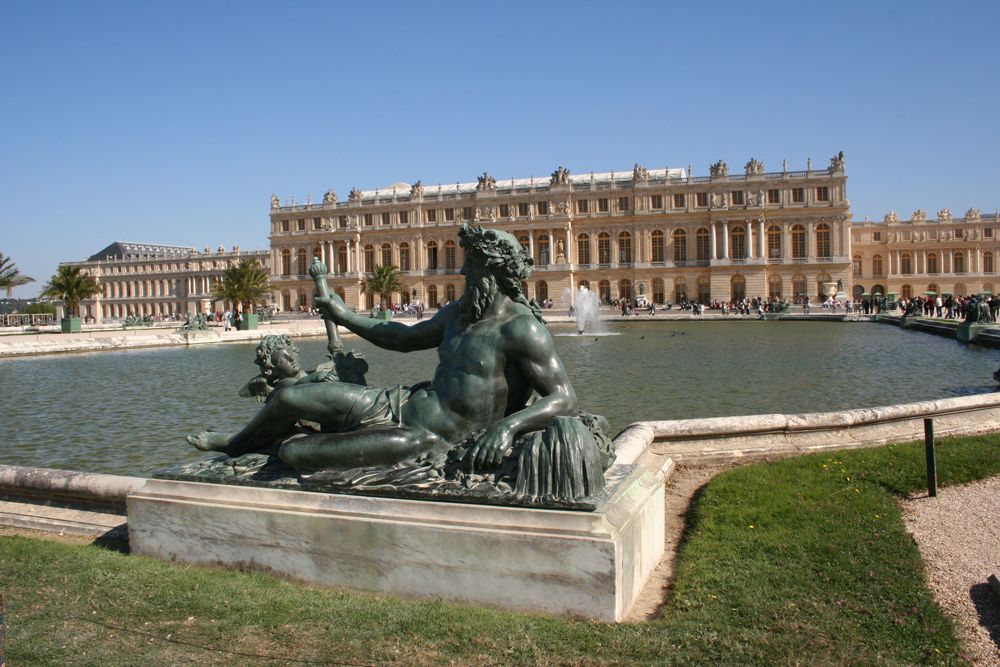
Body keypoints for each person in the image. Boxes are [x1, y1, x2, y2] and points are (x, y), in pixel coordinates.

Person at [187, 225, 578, 471]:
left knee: (295, 453)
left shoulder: (522, 329)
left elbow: (562, 397)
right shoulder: (459, 314)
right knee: (291, 397)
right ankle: (237, 444)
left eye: (471, 265)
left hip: (425, 436)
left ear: (492, 271)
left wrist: (508, 428)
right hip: (398, 401)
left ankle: (290, 446)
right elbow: (401, 338)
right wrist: (343, 316)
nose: (462, 272)